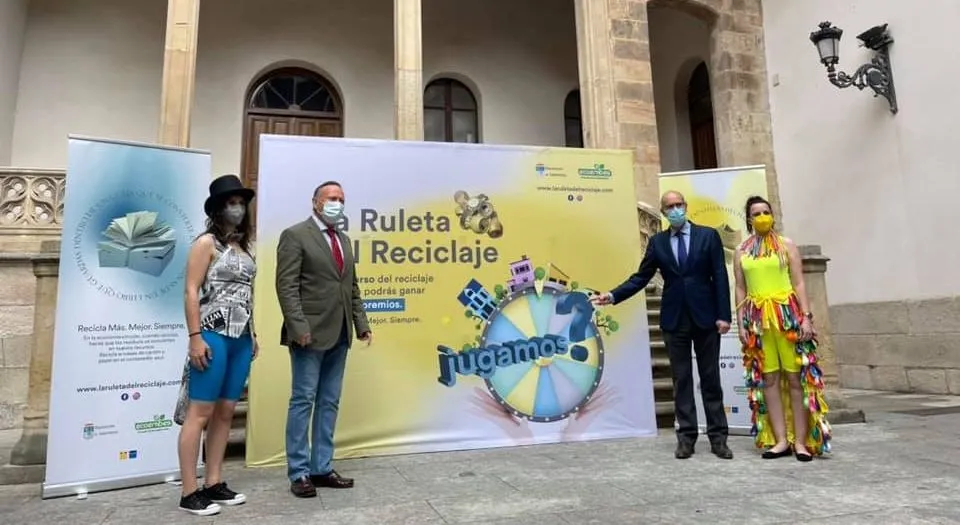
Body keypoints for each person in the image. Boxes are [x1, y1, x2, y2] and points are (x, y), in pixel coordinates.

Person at [592, 190, 733, 460]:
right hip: (674, 319)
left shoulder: (708, 236)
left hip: (706, 318)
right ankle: (686, 437)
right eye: (670, 207)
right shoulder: (658, 242)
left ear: (686, 206)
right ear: (664, 212)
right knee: (681, 379)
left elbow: (719, 277)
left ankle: (718, 438)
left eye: (679, 205)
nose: (676, 210)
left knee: (710, 379)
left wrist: (723, 315)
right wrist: (612, 295)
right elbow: (641, 277)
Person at [275, 181, 372, 498]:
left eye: (342, 199)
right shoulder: (294, 235)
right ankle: (299, 472)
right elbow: (286, 286)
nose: (337, 203)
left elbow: (351, 287)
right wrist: (298, 325)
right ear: (316, 202)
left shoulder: (343, 239)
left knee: (329, 402)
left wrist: (361, 324)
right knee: (303, 400)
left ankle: (322, 467)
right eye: (332, 198)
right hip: (308, 335)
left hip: (341, 333)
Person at [177, 174, 258, 516]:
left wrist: (254, 333)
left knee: (226, 411)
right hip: (211, 333)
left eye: (240, 202)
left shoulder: (243, 247)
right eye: (230, 203)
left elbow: (246, 295)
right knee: (201, 412)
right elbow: (191, 290)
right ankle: (189, 491)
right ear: (218, 208)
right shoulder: (206, 243)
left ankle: (214, 481)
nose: (236, 208)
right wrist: (195, 337)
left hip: (240, 338)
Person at [733, 196, 831, 461]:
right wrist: (741, 322)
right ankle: (779, 441)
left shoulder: (787, 246)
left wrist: (806, 317)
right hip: (758, 321)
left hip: (786, 317)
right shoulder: (741, 250)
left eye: (766, 212)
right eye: (757, 213)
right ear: (749, 219)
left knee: (795, 378)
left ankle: (800, 442)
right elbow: (740, 288)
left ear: (772, 215)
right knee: (769, 379)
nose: (763, 216)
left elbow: (799, 282)